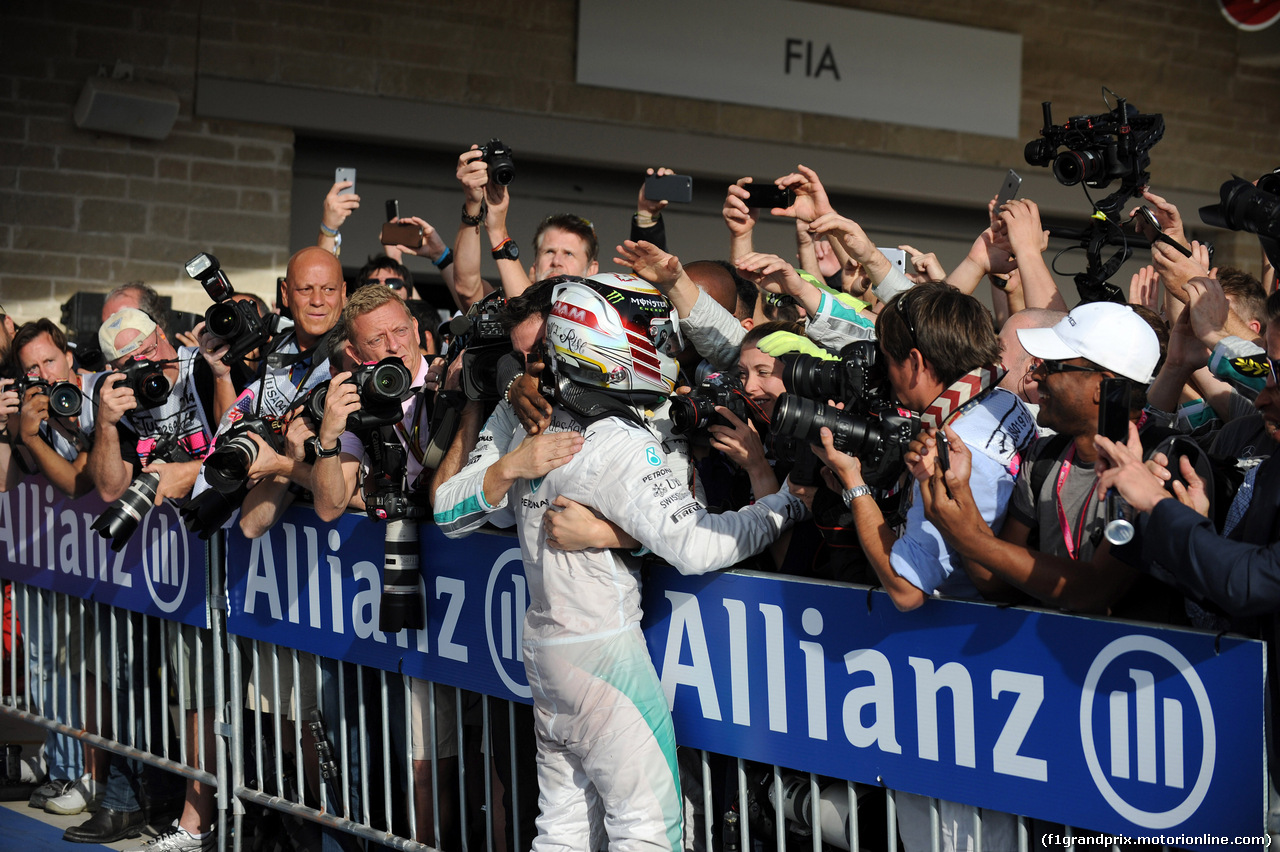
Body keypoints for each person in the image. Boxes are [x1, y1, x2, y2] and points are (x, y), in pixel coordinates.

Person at [434, 271, 804, 851]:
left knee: (562, 830)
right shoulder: (615, 439)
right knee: (649, 829)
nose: (662, 345)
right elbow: (697, 544)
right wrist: (787, 506)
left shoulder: (538, 425)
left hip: (548, 654)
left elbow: (461, 511)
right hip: (605, 653)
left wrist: (519, 470)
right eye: (647, 330)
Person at [918, 302, 1183, 622]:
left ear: (1103, 385)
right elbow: (997, 583)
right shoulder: (1044, 457)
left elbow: (1095, 591)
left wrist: (968, 538)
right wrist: (958, 490)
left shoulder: (1168, 464)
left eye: (1054, 365)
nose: (1037, 374)